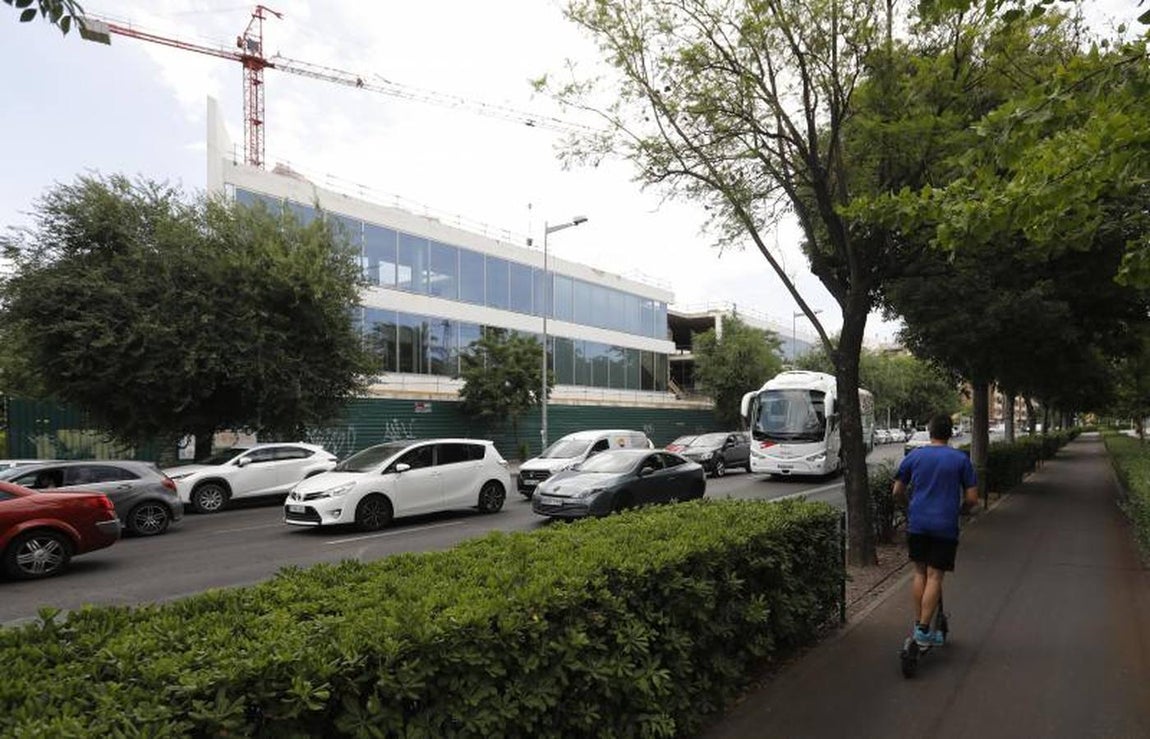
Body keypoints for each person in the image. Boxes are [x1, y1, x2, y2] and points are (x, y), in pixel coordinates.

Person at [892, 413, 979, 648]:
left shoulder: (915, 456)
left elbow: (897, 491)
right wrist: (960, 511)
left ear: (929, 432)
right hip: (945, 526)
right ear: (950, 433)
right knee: (935, 576)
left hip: (918, 523)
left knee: (919, 573)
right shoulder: (961, 460)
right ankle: (923, 630)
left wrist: (909, 507)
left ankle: (918, 623)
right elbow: (972, 498)